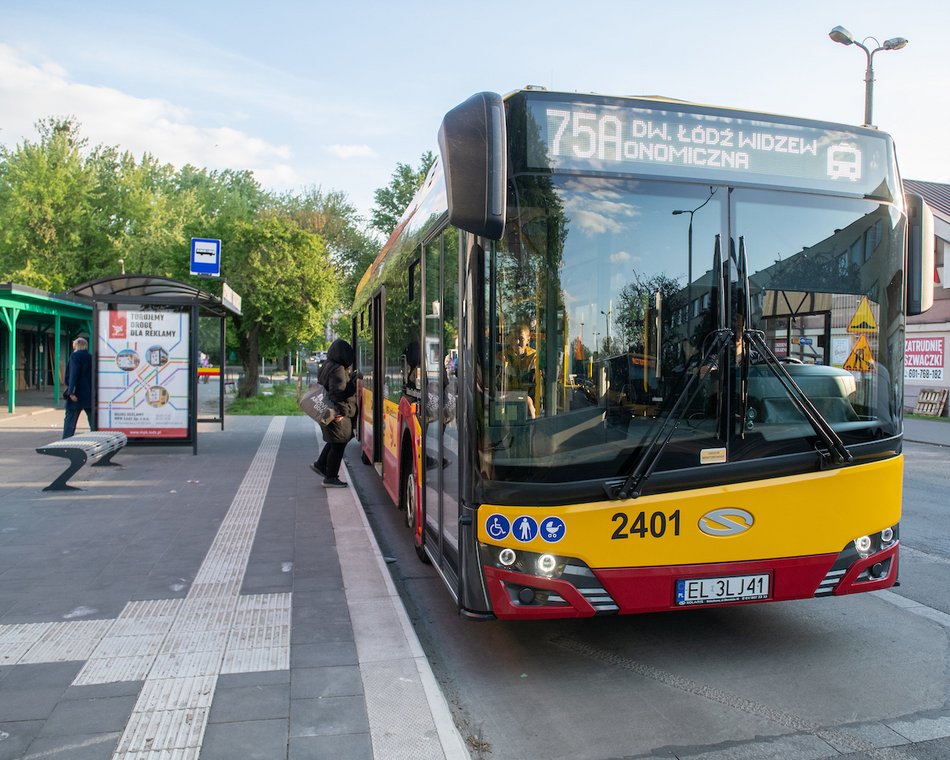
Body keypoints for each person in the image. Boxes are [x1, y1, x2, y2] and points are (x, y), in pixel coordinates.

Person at [311, 338, 359, 488]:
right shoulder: (338, 368)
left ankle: (320, 464)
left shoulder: (327, 365)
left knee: (336, 440)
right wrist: (341, 412)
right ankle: (330, 477)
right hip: (336, 412)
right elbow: (338, 393)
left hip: (327, 409)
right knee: (339, 443)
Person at [63, 337, 93, 438]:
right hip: (89, 394)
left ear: (77, 345)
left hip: (77, 394)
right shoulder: (90, 357)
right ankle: (97, 439)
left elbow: (74, 374)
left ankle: (66, 441)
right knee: (93, 420)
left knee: (70, 420)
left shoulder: (75, 356)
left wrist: (71, 391)